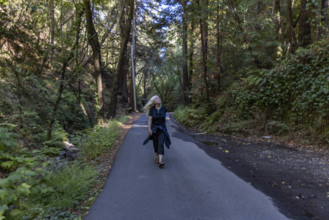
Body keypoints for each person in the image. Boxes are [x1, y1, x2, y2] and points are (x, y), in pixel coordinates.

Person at [143, 95, 171, 168]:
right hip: (154, 129)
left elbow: (165, 118)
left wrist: (164, 125)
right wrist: (149, 128)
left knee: (161, 143)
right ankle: (157, 157)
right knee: (156, 144)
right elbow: (149, 120)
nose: (158, 99)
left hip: (162, 129)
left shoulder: (164, 108)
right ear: (154, 101)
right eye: (156, 99)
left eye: (158, 98)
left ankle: (160, 161)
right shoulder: (152, 110)